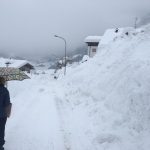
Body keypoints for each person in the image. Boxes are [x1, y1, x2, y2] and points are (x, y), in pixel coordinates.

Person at [0, 77, 11, 150]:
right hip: (2, 115)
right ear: (3, 82)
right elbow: (7, 104)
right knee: (1, 129)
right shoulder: (5, 90)